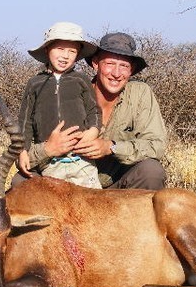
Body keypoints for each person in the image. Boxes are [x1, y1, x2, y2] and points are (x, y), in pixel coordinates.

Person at [15, 31, 167, 190]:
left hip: (116, 188)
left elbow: (156, 145)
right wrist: (48, 149)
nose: (116, 73)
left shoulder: (140, 93)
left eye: (124, 66)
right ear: (95, 63)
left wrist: (111, 147)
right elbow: (20, 156)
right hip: (62, 186)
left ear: (131, 70)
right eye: (109, 64)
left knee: (151, 171)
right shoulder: (71, 90)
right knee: (20, 182)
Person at [16, 21, 102, 188]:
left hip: (82, 161)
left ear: (78, 55)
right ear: (47, 49)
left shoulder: (81, 80)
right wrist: (23, 151)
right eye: (60, 49)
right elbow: (24, 122)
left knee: (93, 205)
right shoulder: (34, 83)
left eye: (72, 51)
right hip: (50, 163)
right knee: (57, 206)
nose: (65, 56)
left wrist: (93, 131)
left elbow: (94, 111)